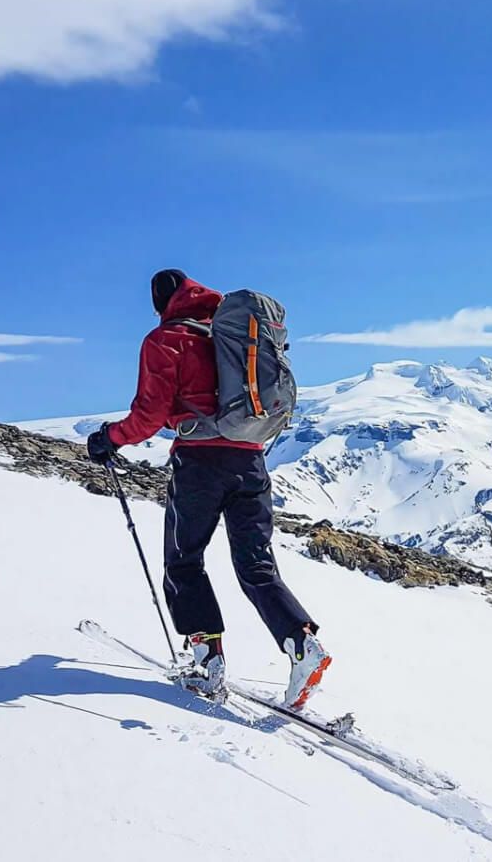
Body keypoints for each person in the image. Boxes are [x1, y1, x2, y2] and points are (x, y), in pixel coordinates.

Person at [86, 270, 330, 709]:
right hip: (251, 459)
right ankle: (301, 643)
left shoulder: (168, 340)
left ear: (161, 302)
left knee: (184, 561)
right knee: (257, 566)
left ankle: (208, 660)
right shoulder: (231, 334)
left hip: (199, 464)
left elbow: (148, 416)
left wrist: (109, 439)